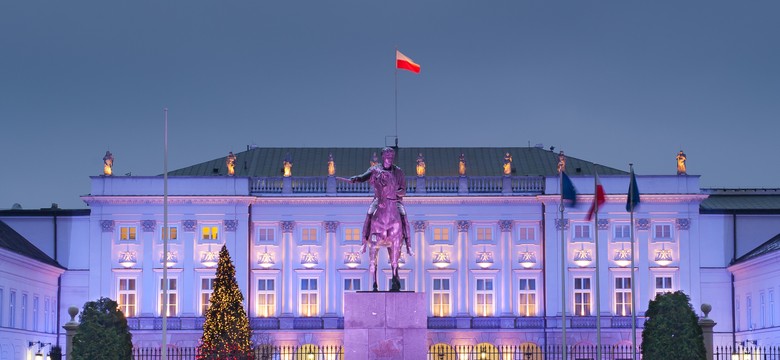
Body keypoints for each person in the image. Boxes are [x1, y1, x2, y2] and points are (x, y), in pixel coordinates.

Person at [350, 147, 411, 255]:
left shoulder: (398, 172)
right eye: (387, 156)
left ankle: (408, 245)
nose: (390, 158)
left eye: (391, 156)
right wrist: (356, 178)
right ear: (383, 157)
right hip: (379, 200)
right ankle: (364, 242)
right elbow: (364, 176)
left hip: (394, 201)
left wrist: (393, 193)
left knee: (403, 215)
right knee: (369, 213)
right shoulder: (375, 169)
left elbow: (403, 191)